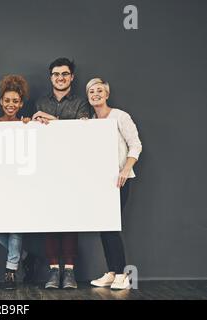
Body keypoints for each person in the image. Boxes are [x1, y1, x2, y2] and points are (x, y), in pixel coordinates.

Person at [33, 58, 91, 289]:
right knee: (49, 220)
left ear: (72, 77)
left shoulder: (81, 103)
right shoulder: (40, 102)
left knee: (70, 220)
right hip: (46, 168)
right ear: (51, 77)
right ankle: (53, 271)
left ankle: (69, 272)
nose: (60, 78)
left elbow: (79, 135)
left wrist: (50, 119)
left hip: (73, 168)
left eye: (65, 74)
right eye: (56, 74)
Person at [86, 78, 142, 290]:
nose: (96, 94)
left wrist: (126, 169)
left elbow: (136, 144)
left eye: (99, 90)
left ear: (107, 94)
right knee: (104, 227)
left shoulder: (120, 116)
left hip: (119, 181)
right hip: (100, 183)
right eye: (91, 91)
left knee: (111, 226)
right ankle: (111, 272)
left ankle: (122, 274)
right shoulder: (90, 121)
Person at [0, 75, 30, 290]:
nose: (11, 104)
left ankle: (10, 270)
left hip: (20, 183)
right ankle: (24, 255)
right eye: (7, 100)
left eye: (15, 101)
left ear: (21, 103)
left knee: (16, 228)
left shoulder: (26, 125)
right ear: (1, 102)